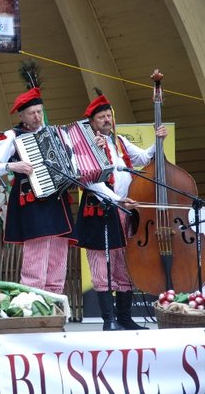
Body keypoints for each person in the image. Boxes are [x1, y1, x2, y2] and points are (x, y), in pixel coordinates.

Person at [76, 92, 165, 330]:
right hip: (101, 210)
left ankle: (124, 318)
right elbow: (90, 181)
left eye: (108, 116)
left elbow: (144, 157)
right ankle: (109, 321)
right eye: (101, 117)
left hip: (126, 211)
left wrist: (158, 140)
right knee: (101, 264)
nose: (107, 120)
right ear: (92, 121)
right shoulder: (85, 145)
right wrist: (118, 199)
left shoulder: (120, 141)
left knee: (125, 264)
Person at [0, 87, 75, 294]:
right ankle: (33, 305)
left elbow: (73, 161)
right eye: (31, 113)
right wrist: (12, 166)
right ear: (21, 115)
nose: (37, 117)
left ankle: (54, 308)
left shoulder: (57, 133)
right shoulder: (12, 136)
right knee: (35, 259)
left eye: (39, 112)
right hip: (32, 203)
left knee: (58, 257)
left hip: (57, 201)